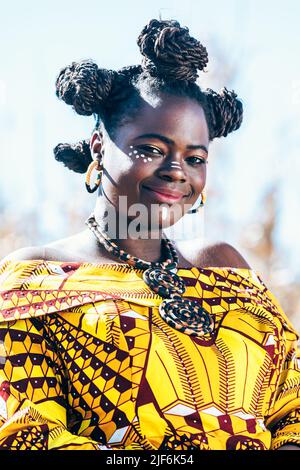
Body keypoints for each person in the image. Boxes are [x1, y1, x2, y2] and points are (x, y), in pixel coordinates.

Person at [0, 18, 299, 451]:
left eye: (195, 157)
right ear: (100, 147)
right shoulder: (36, 279)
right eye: (152, 149)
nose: (177, 171)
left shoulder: (227, 268)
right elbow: (28, 435)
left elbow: (291, 405)